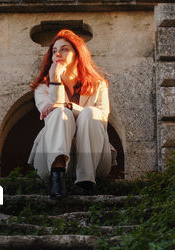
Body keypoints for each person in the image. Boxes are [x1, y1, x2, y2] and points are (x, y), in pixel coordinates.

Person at [27, 30, 112, 198]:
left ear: (78, 54)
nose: (57, 53)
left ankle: (86, 181)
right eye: (54, 50)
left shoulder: (99, 85)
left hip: (94, 162)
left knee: (91, 113)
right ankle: (57, 178)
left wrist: (69, 106)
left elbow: (102, 118)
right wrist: (55, 80)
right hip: (49, 161)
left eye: (64, 49)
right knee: (59, 113)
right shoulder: (42, 89)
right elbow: (52, 112)